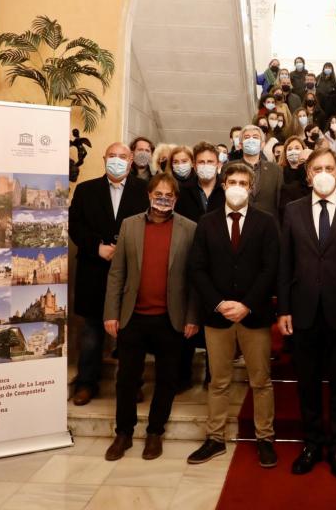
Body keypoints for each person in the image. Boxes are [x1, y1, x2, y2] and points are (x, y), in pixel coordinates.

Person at [278, 148, 336, 479]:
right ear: (307, 175)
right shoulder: (291, 210)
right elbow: (285, 263)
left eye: (328, 167)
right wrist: (284, 308)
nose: (322, 172)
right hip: (303, 312)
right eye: (316, 168)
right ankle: (311, 444)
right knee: (306, 384)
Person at [187, 163, 280, 468]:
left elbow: (270, 269)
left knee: (261, 381)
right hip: (218, 316)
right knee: (219, 381)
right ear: (224, 185)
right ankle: (215, 438)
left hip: (254, 315)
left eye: (244, 182)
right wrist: (218, 303)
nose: (238, 186)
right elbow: (197, 268)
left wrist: (247, 304)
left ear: (251, 188)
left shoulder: (266, 223)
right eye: (233, 181)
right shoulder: (207, 222)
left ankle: (265, 438)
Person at [102, 172, 198, 460]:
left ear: (176, 199)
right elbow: (117, 273)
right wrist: (111, 313)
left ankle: (155, 432)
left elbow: (195, 278)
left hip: (172, 318)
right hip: (133, 317)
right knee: (126, 380)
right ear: (149, 195)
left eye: (170, 195)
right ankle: (124, 433)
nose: (163, 199)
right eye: (159, 194)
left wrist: (192, 316)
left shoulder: (190, 229)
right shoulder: (130, 225)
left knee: (168, 379)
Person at [69, 142, 150, 406]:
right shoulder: (85, 191)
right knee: (92, 332)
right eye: (112, 156)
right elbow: (75, 226)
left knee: (130, 332)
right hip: (94, 270)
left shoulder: (143, 191)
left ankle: (131, 383)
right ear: (104, 159)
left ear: (131, 162)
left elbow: (151, 225)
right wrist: (97, 247)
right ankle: (86, 383)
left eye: (123, 157)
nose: (117, 160)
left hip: (131, 273)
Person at [174, 142, 226, 389]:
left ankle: (211, 376)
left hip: (218, 267)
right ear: (194, 165)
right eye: (201, 162)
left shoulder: (227, 192)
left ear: (219, 165)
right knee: (187, 323)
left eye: (210, 162)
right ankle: (182, 376)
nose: (206, 167)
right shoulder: (182, 191)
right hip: (186, 263)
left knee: (215, 325)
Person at [234, 124, 282, 219]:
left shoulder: (275, 169)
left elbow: (279, 202)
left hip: (268, 225)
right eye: (247, 137)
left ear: (262, 144)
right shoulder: (230, 167)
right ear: (240, 144)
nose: (251, 140)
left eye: (255, 137)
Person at [278, 136, 310, 221]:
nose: (293, 151)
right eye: (289, 149)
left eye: (297, 148)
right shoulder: (279, 172)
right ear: (285, 153)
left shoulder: (310, 173)